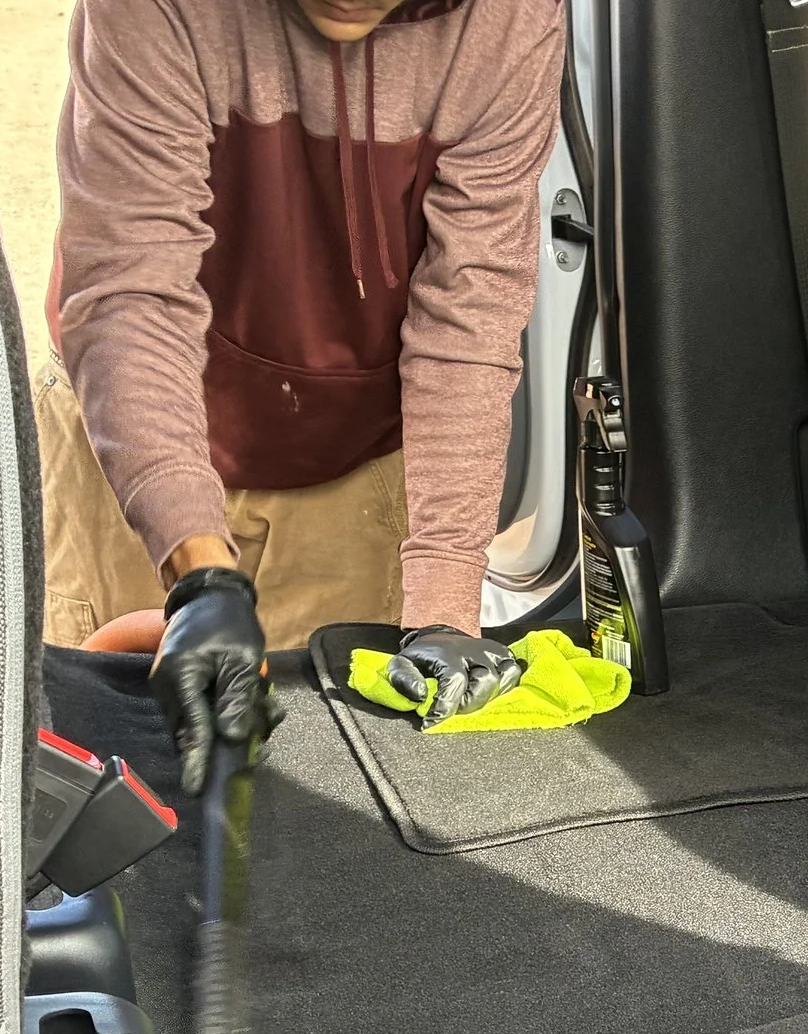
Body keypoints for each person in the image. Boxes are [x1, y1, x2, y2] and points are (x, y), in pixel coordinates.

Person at [45, 0, 558, 786]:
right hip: (129, 442)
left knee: (331, 806)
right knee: (96, 790)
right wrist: (198, 573)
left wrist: (446, 605)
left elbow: (470, 318)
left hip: (356, 460)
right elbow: (130, 290)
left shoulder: (509, 18)